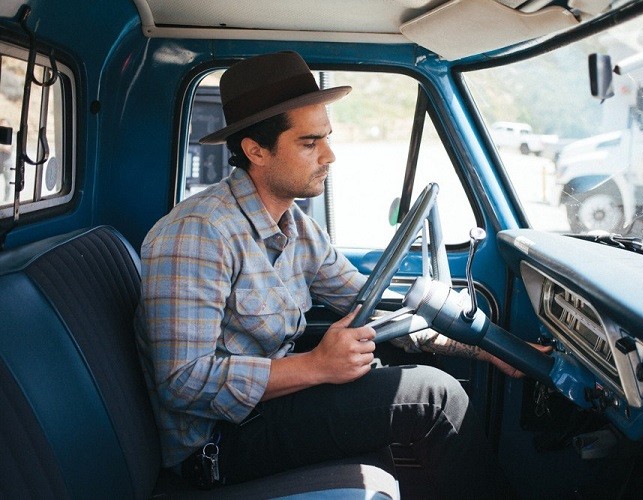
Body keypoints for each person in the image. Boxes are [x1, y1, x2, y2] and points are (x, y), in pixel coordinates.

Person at [135, 51, 542, 498]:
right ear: (256, 151)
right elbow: (182, 381)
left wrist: (493, 348)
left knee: (392, 376)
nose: (330, 156)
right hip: (218, 444)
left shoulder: (298, 228)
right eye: (309, 143)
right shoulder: (199, 233)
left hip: (269, 410)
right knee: (433, 396)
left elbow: (373, 305)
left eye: (326, 138)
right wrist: (314, 366)